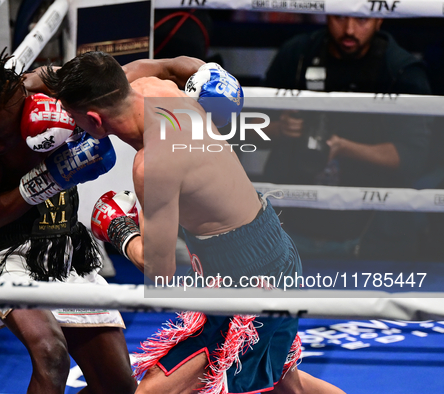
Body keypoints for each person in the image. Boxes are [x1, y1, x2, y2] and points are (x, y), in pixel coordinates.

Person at [42, 51, 345, 394]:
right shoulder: (155, 88)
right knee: (287, 385)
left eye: (74, 121)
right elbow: (180, 64)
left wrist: (120, 229)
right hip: (268, 251)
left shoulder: (153, 165)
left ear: (95, 121)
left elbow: (161, 269)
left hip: (249, 289)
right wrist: (210, 73)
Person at [0, 51, 137, 394]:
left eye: (2, 135)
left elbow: (120, 83)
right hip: (6, 251)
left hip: (62, 247)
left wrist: (192, 72)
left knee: (118, 386)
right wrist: (53, 176)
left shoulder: (53, 89)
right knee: (52, 356)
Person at [262, 15, 432, 259]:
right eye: (340, 17)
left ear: (379, 19)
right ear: (328, 14)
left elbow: (414, 157)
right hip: (288, 227)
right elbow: (245, 127)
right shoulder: (298, 54)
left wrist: (344, 147)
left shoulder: (400, 69)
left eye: (361, 19)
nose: (349, 29)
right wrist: (279, 128)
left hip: (369, 235)